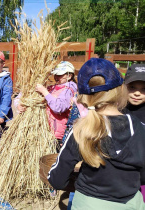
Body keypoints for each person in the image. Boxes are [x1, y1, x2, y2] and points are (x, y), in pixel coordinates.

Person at [47, 58, 145, 209]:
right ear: (121, 89)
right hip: (131, 203)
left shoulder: (82, 129)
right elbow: (142, 176)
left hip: (88, 203)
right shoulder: (138, 127)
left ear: (83, 96)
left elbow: (57, 179)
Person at [15, 61, 77, 149]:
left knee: (51, 159)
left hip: (57, 134)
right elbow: (24, 96)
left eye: (60, 75)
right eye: (55, 74)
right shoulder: (54, 87)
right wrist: (19, 104)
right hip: (47, 131)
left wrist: (44, 91)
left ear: (69, 76)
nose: (56, 77)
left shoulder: (68, 90)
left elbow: (58, 108)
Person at [122, 63, 145, 202]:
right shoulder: (117, 110)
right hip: (121, 174)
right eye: (132, 87)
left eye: (144, 89)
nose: (137, 93)